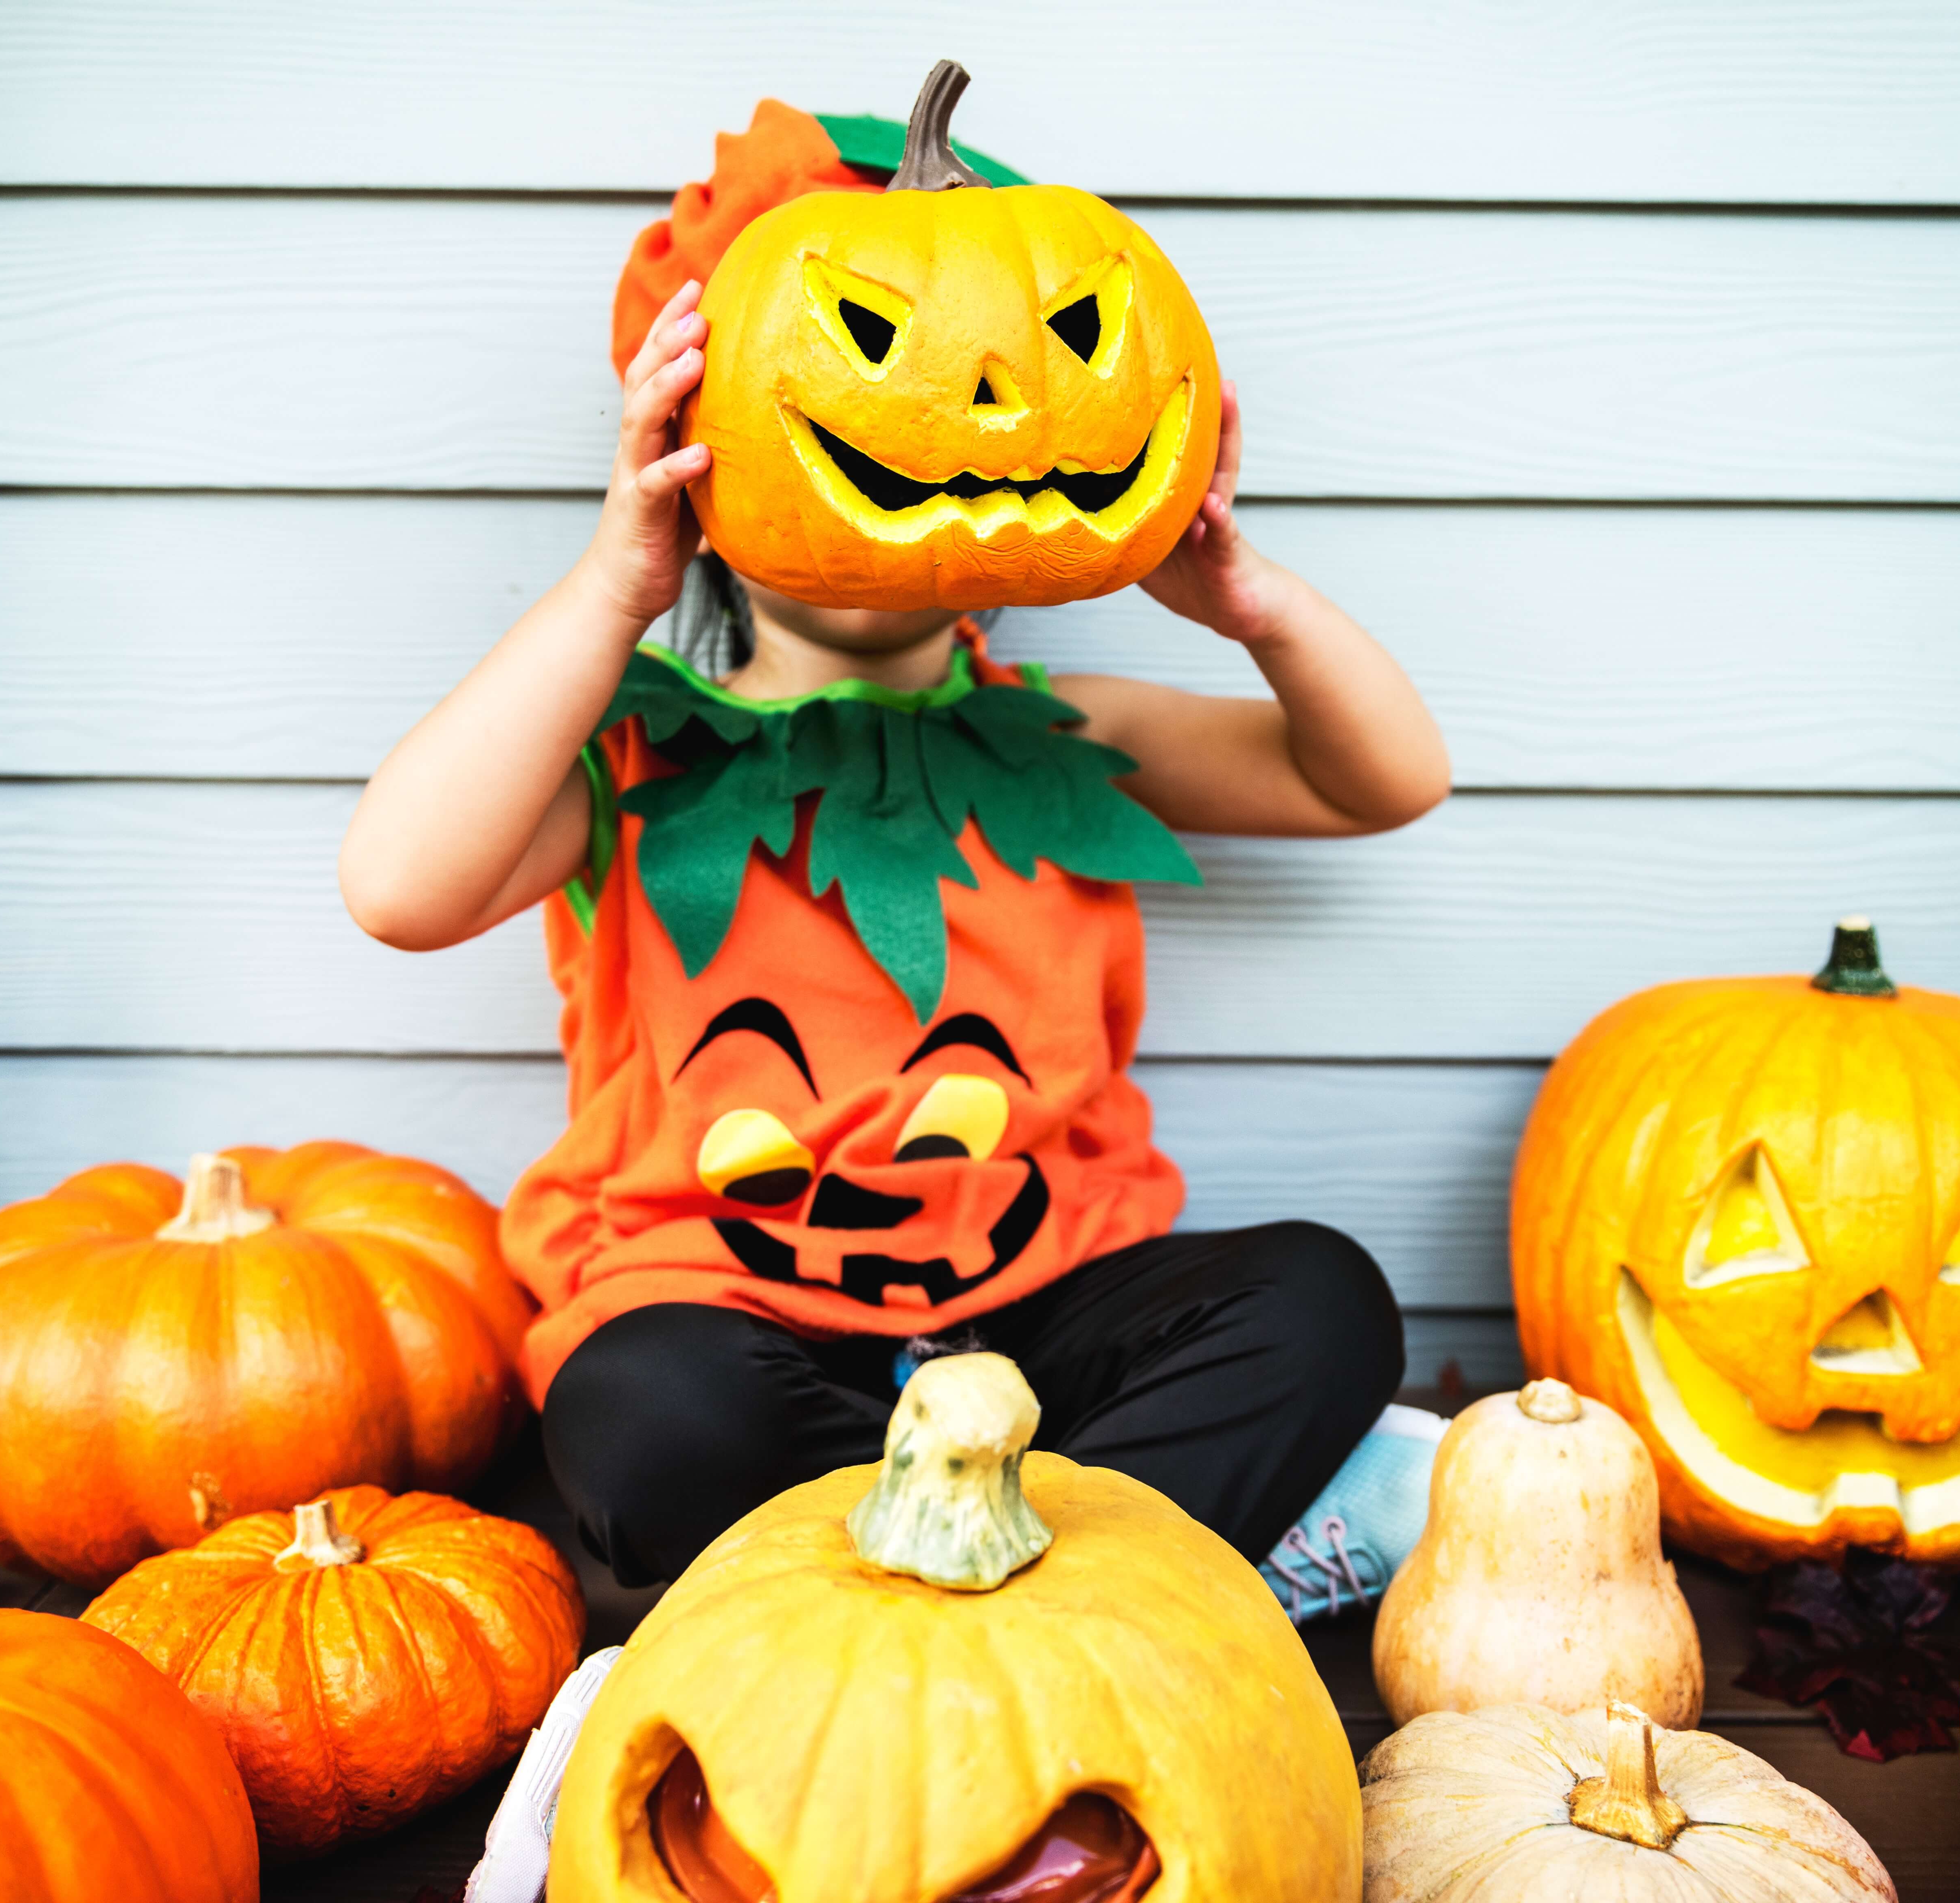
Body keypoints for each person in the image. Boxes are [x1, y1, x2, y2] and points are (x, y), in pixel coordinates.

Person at [340, 106, 1451, 1618]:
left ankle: (942, 1603)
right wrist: (615, 587)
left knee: (1320, 1298)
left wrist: (1246, 596)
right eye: (870, 353)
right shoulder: (631, 754)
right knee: (648, 1415)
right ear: (694, 435)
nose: (957, 407)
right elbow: (400, 889)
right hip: (729, 1311)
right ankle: (1142, 1581)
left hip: (1045, 1310)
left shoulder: (1065, 727)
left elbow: (1379, 780)